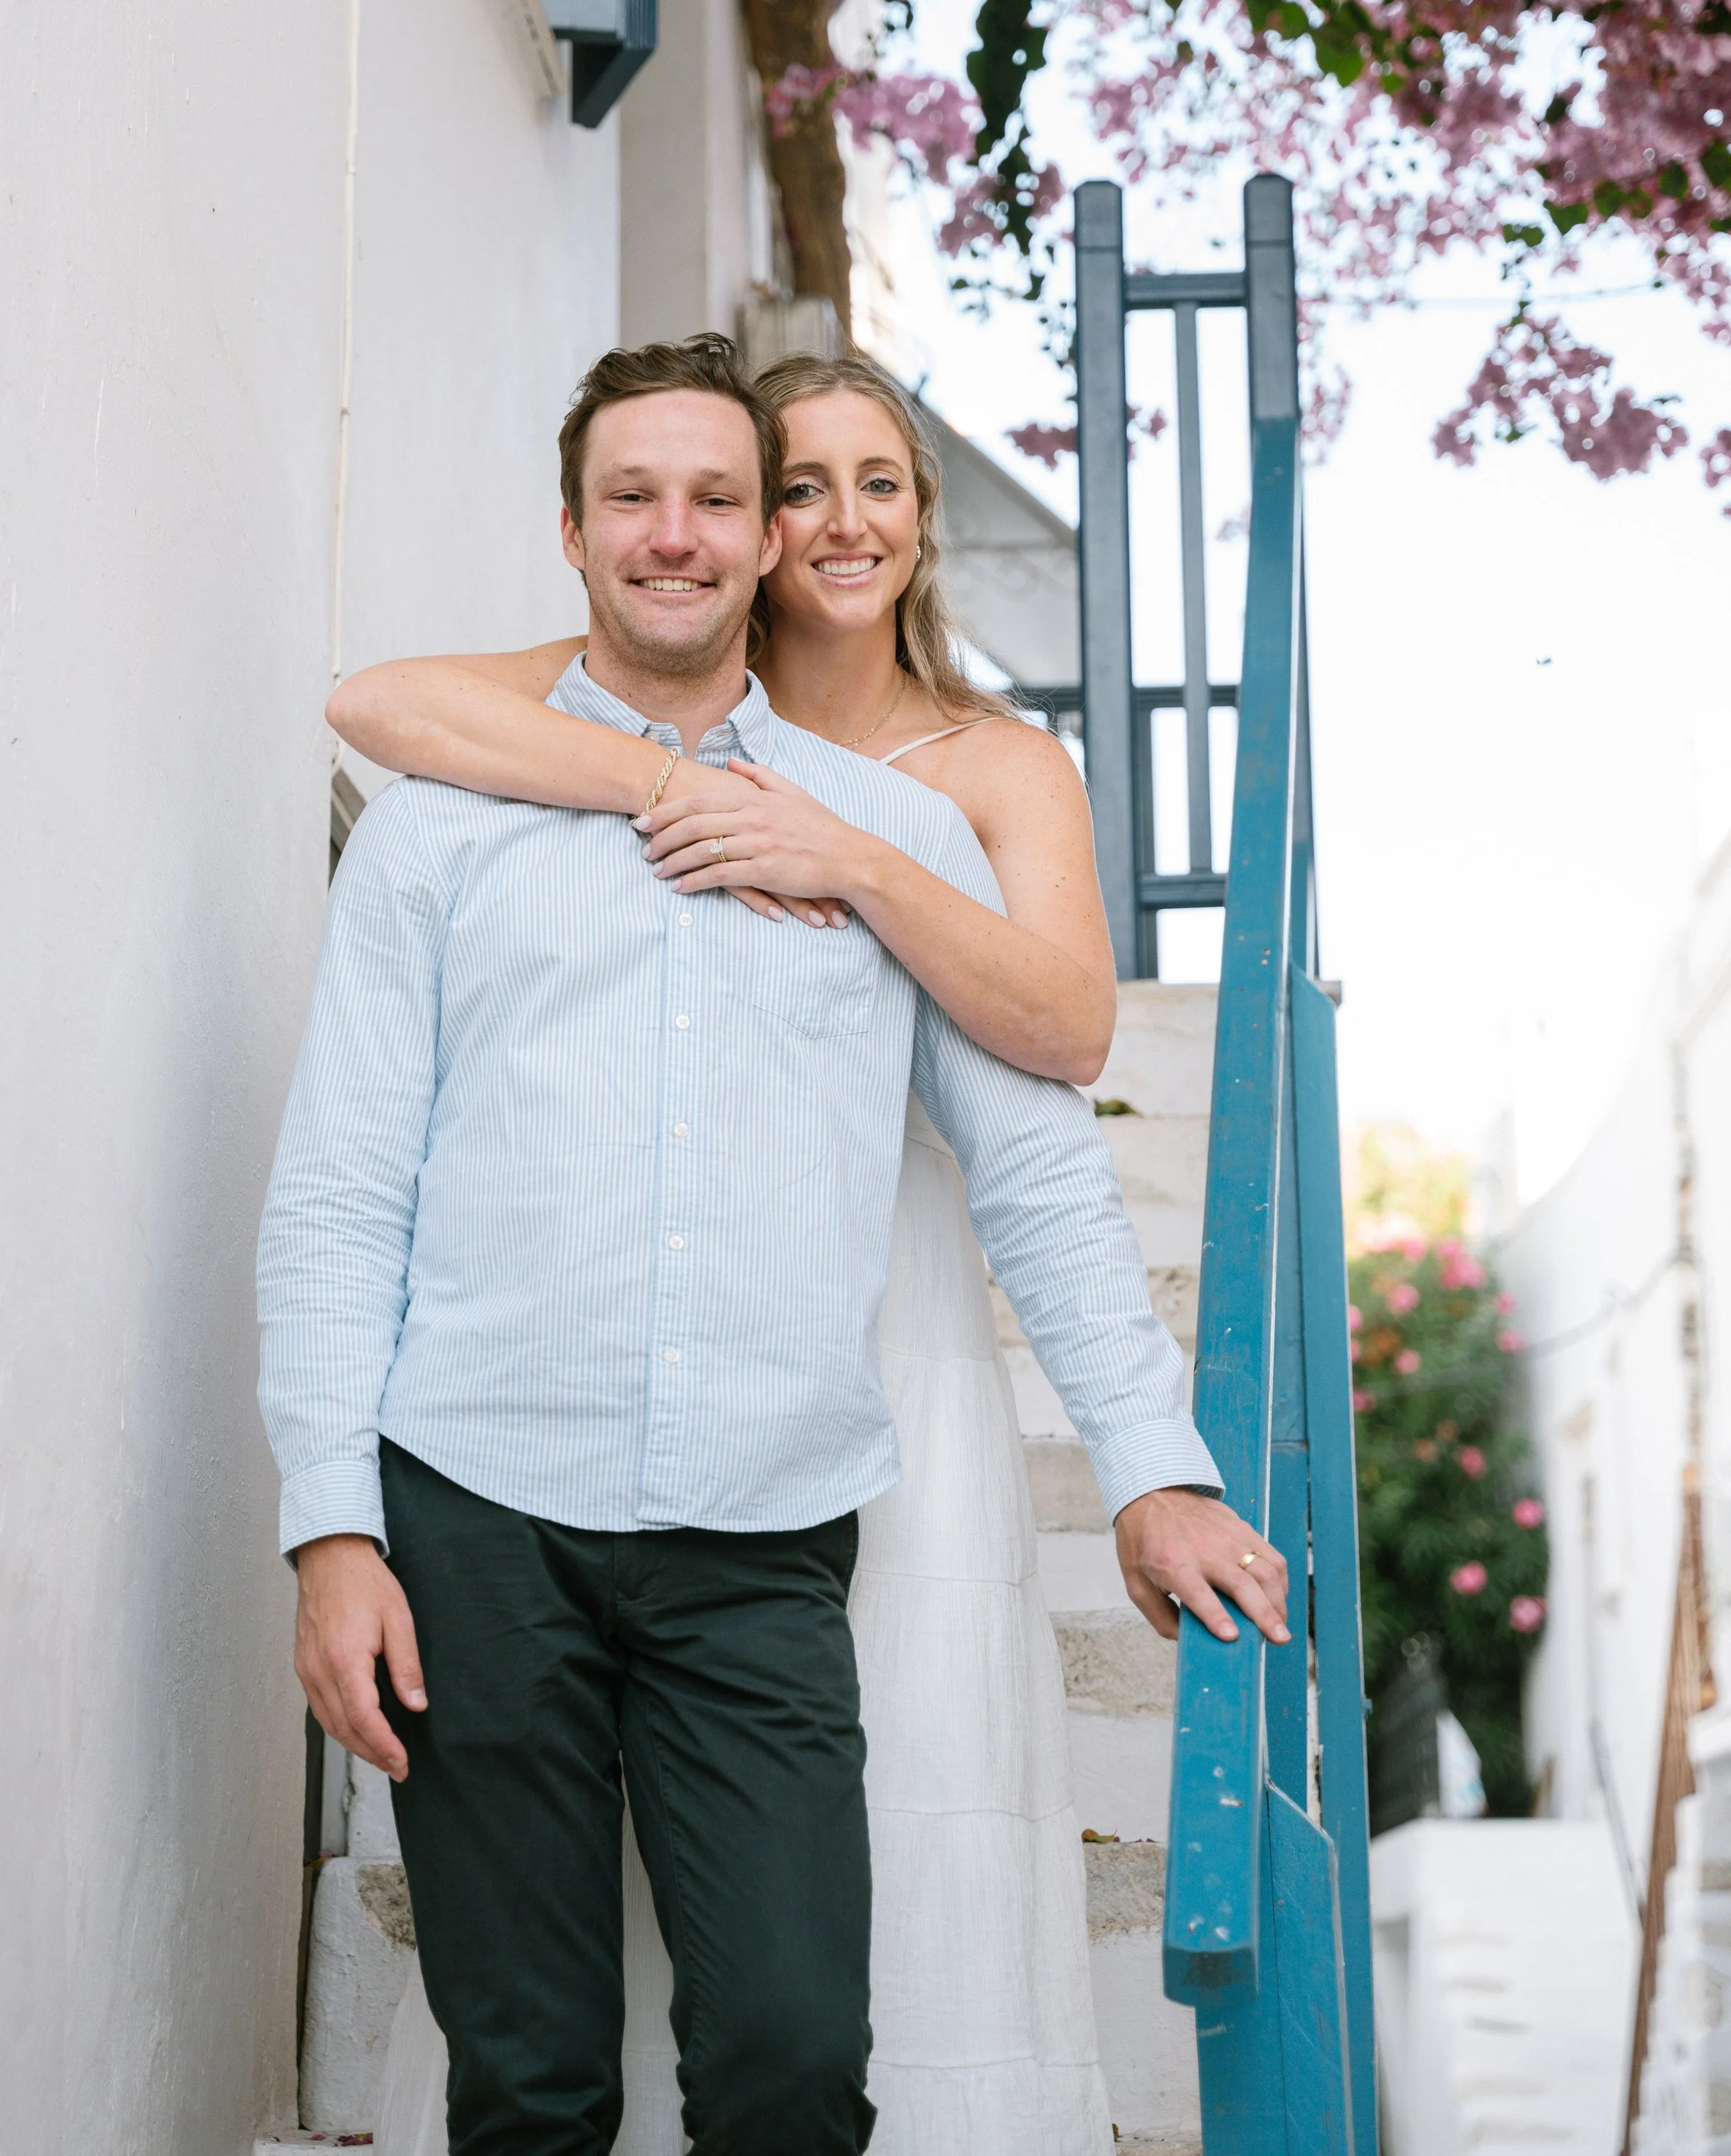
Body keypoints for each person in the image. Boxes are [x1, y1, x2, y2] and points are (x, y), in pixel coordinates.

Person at [262, 337, 1285, 2156]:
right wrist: (333, 1524)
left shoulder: (893, 838)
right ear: (569, 532)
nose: (674, 532)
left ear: (760, 542)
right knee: (528, 2083)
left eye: (716, 498)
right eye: (633, 497)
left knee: (795, 2064)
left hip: (759, 1534)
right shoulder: (435, 839)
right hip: (476, 1511)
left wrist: (1153, 1469)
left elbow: (1041, 1177)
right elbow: (343, 1189)